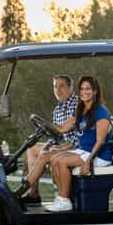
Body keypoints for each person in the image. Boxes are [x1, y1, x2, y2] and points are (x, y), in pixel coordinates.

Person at [47, 76, 113, 213]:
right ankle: (61, 197)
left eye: (88, 89)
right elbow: (63, 128)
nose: (84, 92)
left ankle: (65, 200)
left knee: (62, 162)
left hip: (98, 155)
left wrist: (88, 162)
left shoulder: (101, 112)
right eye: (82, 89)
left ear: (95, 91)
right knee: (54, 159)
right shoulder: (80, 109)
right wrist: (46, 125)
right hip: (84, 151)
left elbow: (100, 142)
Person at [15, 75, 79, 204]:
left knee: (46, 153)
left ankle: (21, 190)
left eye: (62, 86)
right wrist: (50, 144)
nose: (58, 90)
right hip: (64, 145)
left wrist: (57, 147)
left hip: (76, 147)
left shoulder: (77, 104)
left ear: (71, 88)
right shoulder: (58, 109)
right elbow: (56, 135)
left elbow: (69, 132)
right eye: (55, 86)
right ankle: (34, 194)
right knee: (32, 148)